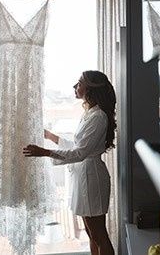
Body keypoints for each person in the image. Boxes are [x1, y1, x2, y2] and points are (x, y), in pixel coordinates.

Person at [23, 70, 116, 255]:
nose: (76, 86)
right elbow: (78, 146)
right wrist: (50, 136)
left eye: (80, 83)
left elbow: (80, 152)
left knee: (99, 234)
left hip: (92, 179)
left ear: (90, 88)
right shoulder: (89, 113)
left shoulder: (98, 117)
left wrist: (45, 152)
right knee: (91, 233)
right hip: (84, 176)